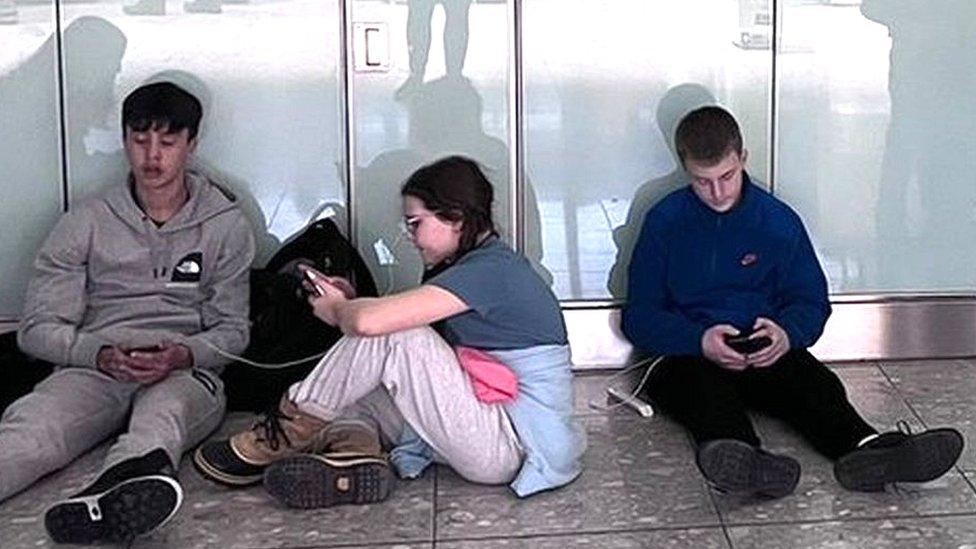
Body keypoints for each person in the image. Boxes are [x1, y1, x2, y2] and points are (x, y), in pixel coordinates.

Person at [195, 156, 584, 506]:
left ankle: (286, 431)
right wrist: (350, 301)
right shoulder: (470, 266)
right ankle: (354, 454)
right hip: (485, 424)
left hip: (511, 445)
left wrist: (341, 311)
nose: (410, 237)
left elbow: (376, 326)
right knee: (360, 384)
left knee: (392, 336)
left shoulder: (493, 271)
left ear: (457, 218)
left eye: (416, 224)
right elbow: (396, 331)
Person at [622, 106, 963, 499]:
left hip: (764, 350)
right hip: (687, 354)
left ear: (743, 158)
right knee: (703, 396)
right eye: (703, 181)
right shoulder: (664, 222)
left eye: (726, 177)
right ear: (685, 169)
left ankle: (871, 448)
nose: (717, 192)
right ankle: (747, 462)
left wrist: (787, 334)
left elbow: (811, 301)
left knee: (814, 384)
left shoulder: (777, 220)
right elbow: (640, 317)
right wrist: (698, 340)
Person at [0, 82, 255, 543]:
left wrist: (182, 354)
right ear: (124, 141)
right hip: (94, 366)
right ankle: (111, 495)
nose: (152, 156)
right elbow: (35, 330)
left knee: (161, 418)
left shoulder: (225, 224)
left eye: (168, 142)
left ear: (191, 144)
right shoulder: (85, 221)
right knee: (35, 431)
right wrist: (97, 354)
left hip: (184, 371)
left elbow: (234, 332)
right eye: (140, 140)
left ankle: (116, 494)